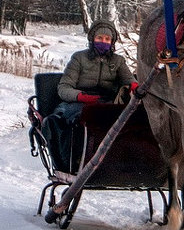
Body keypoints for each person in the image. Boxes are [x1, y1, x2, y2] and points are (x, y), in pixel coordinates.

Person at [43, 20, 137, 174]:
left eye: (107, 40)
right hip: (76, 102)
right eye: (100, 38)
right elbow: (63, 88)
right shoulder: (79, 58)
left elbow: (129, 80)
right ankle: (76, 159)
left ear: (112, 42)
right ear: (92, 38)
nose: (103, 42)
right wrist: (81, 96)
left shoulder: (118, 61)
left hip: (105, 102)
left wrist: (134, 86)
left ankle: (120, 160)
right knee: (77, 120)